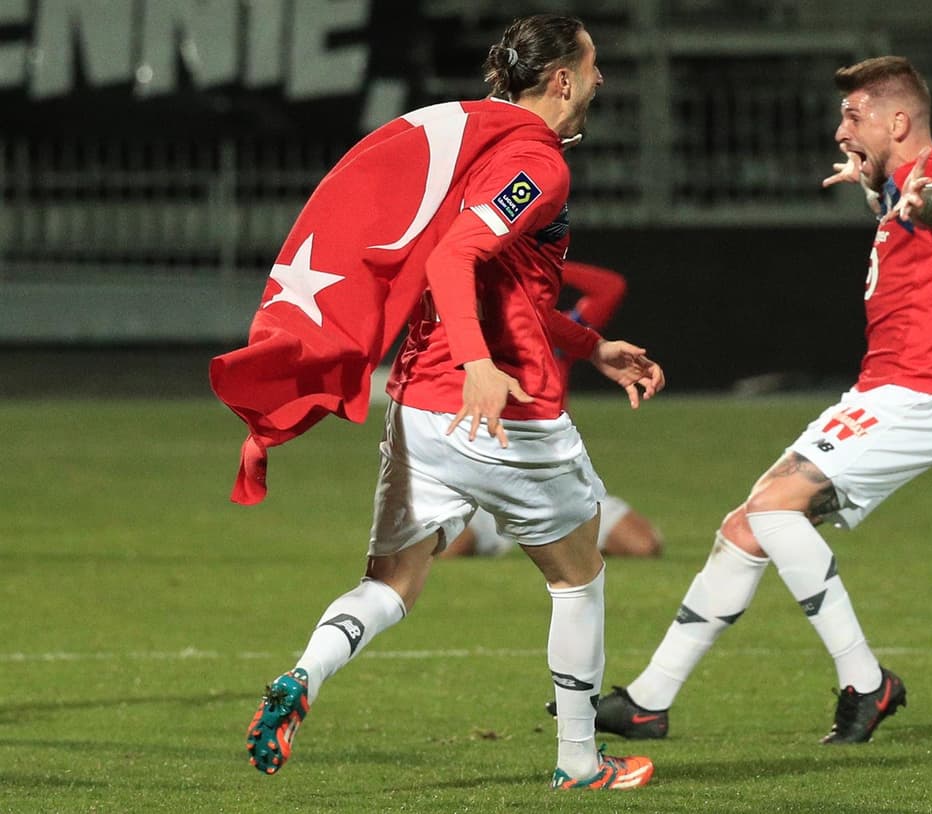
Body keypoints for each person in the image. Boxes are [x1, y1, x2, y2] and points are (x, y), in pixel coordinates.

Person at [213, 14, 663, 790]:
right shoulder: (535, 161)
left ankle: (303, 677)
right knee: (580, 576)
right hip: (505, 411)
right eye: (593, 68)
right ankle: (581, 763)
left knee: (393, 581)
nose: (600, 81)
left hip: (420, 406)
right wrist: (483, 363)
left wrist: (591, 345)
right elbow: (456, 257)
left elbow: (497, 282)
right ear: (562, 80)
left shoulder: (484, 149)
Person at [579, 56, 932, 745]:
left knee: (773, 509)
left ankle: (866, 682)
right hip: (883, 394)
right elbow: (918, 215)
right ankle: (649, 701)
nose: (839, 129)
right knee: (746, 527)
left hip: (917, 398)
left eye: (852, 115)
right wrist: (879, 191)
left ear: (899, 121)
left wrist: (913, 199)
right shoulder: (897, 189)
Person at [443, 260, 663, 559]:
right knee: (444, 549)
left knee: (643, 546)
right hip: (487, 481)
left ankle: (562, 535)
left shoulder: (555, 333)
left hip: (554, 477)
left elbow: (611, 288)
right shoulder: (472, 337)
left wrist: (542, 266)